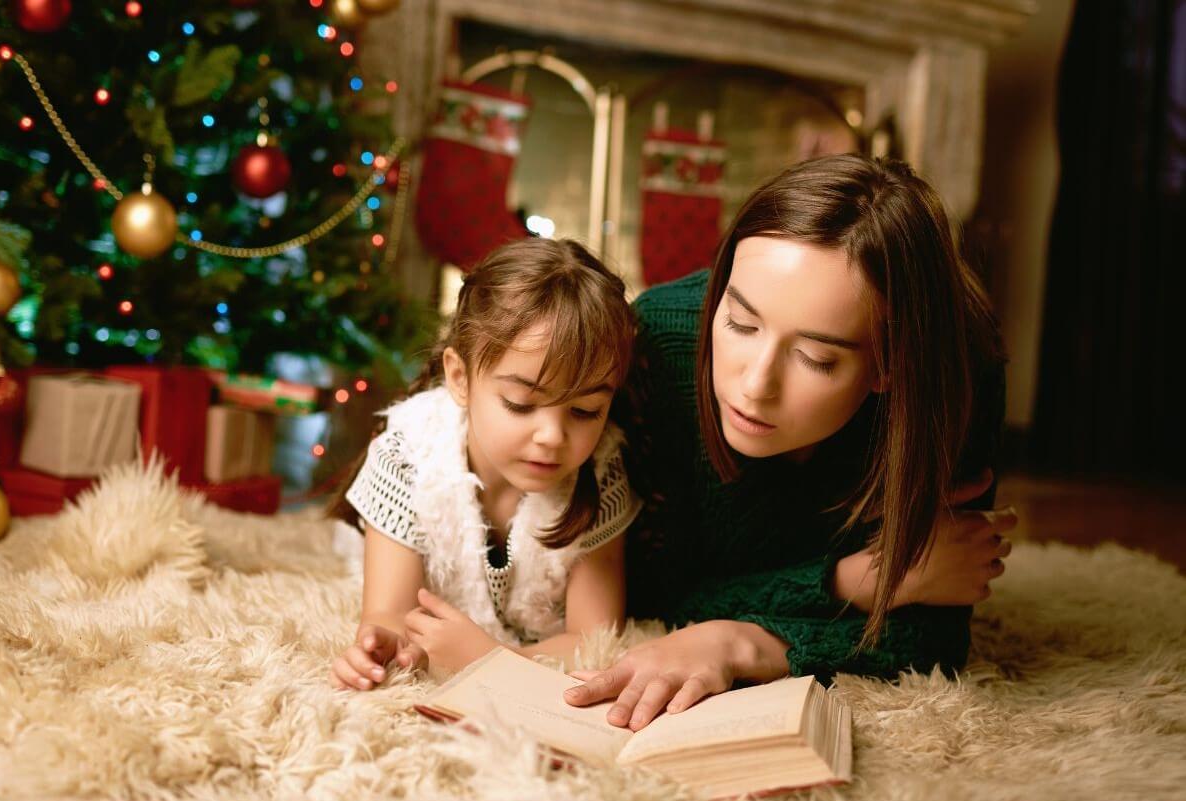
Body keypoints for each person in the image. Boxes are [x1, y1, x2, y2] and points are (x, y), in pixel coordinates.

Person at [564, 154, 1018, 731]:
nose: (754, 385)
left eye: (816, 358)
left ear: (889, 367)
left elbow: (931, 636)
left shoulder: (959, 388)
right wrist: (850, 582)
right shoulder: (656, 342)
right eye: (740, 323)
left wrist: (745, 643)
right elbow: (647, 600)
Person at [328, 238, 642, 690]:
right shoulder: (407, 456)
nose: (552, 436)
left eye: (584, 411)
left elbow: (595, 636)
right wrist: (382, 649)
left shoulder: (601, 469)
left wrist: (493, 659)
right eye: (520, 404)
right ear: (460, 378)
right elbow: (390, 613)